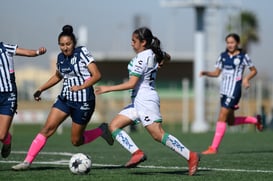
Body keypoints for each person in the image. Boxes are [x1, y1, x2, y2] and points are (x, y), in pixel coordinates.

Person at [95, 27, 200, 176]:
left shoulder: (142, 57)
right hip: (138, 100)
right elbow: (167, 56)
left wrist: (108, 88)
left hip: (145, 100)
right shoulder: (154, 53)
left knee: (158, 134)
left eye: (134, 41)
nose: (131, 44)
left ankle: (191, 156)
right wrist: (162, 60)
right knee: (114, 126)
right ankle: (136, 153)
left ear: (143, 42)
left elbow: (131, 84)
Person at [12, 25, 113, 170]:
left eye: (68, 44)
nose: (65, 48)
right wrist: (41, 89)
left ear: (74, 43)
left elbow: (97, 75)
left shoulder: (82, 52)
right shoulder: (60, 58)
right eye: (62, 45)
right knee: (47, 129)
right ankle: (27, 162)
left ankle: (101, 130)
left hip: (83, 102)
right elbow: (58, 76)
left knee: (76, 141)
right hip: (65, 100)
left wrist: (81, 87)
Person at [200, 33, 263, 155]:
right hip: (224, 91)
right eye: (228, 42)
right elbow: (217, 73)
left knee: (222, 115)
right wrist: (206, 73)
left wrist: (246, 79)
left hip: (234, 90)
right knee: (230, 121)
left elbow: (254, 71)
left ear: (237, 43)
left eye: (232, 42)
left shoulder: (243, 56)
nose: (230, 45)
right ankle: (255, 120)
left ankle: (213, 148)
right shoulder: (223, 56)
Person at [0, 42, 46, 159]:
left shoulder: (5, 48)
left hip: (8, 95)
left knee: (1, 135)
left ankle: (7, 140)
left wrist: (37, 52)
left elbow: (26, 52)